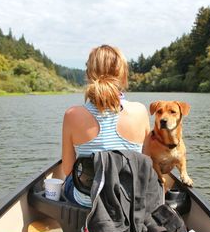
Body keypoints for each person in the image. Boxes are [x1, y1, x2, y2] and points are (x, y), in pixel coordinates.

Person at [61, 45, 150, 207]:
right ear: (123, 74)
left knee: (65, 183)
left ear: (89, 74)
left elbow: (68, 170)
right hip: (129, 204)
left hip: (87, 201)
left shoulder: (72, 115)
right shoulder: (140, 111)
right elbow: (147, 163)